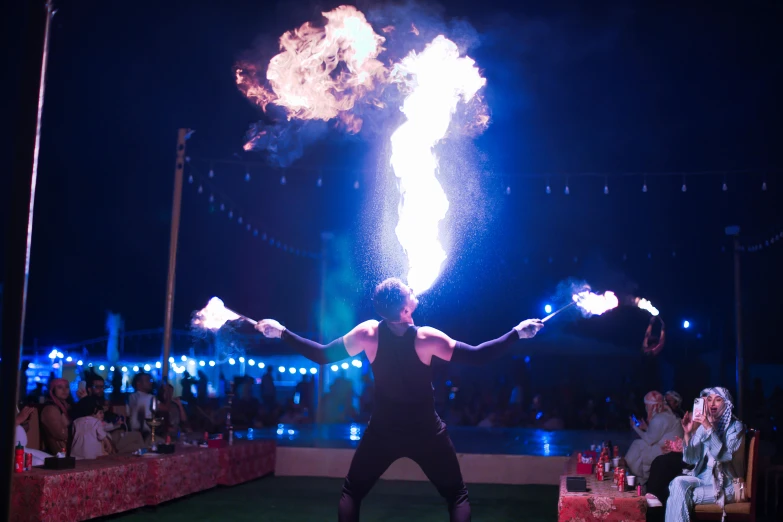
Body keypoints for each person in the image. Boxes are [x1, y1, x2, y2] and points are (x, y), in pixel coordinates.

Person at [255, 277, 544, 521]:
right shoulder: (426, 338)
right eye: (409, 291)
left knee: (351, 493)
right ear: (405, 310)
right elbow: (479, 355)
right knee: (457, 495)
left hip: (383, 431)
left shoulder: (367, 333)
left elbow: (321, 355)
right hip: (426, 431)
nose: (413, 291)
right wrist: (517, 334)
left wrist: (281, 332)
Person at [666, 387, 745, 522]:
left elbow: (723, 456)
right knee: (677, 483)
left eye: (718, 400)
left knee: (679, 495)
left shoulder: (736, 427)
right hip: (703, 477)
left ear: (726, 404)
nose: (712, 403)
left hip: (727, 484)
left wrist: (708, 427)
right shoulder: (704, 426)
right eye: (709, 400)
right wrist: (687, 433)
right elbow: (691, 458)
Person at [626, 391, 683, 484]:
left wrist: (634, 427)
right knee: (638, 444)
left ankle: (641, 479)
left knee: (637, 446)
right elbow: (658, 434)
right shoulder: (669, 415)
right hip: (668, 449)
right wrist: (645, 428)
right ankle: (639, 478)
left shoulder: (659, 418)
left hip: (666, 451)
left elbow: (649, 440)